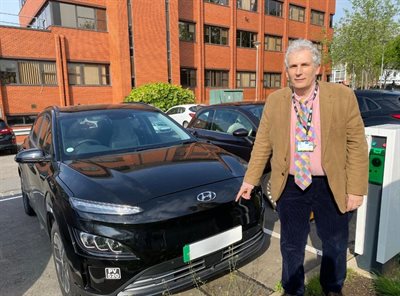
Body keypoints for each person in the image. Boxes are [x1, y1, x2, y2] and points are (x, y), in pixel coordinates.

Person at [235, 39, 368, 296]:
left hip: (330, 184)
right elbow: (262, 143)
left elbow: (357, 145)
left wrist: (356, 189)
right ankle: (293, 290)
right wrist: (250, 180)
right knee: (291, 245)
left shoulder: (341, 96)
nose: (298, 71)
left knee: (335, 243)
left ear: (317, 67)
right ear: (286, 70)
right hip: (292, 185)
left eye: (304, 64)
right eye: (293, 66)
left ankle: (332, 288)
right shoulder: (276, 101)